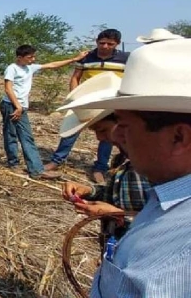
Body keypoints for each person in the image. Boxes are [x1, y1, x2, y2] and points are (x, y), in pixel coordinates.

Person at [58, 38, 191, 297]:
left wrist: (118, 213)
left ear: (179, 138)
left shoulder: (180, 252)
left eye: (125, 126)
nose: (117, 138)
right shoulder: (165, 196)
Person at [57, 73, 150, 240]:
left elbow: (172, 224)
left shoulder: (157, 166)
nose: (100, 138)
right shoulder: (121, 160)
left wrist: (119, 215)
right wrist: (90, 191)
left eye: (102, 130)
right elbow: (116, 195)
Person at [45, 29, 130, 184]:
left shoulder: (126, 58)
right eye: (101, 42)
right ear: (96, 42)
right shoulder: (86, 57)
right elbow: (75, 77)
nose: (105, 46)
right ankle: (56, 161)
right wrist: (75, 97)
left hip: (111, 102)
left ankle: (100, 168)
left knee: (107, 135)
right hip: (87, 99)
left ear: (117, 44)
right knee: (71, 130)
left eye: (109, 44)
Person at [1, 45, 88, 179]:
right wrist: (17, 106)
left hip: (21, 107)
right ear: (19, 57)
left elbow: (52, 65)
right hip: (11, 106)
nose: (33, 59)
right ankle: (14, 164)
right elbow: (8, 88)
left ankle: (36, 170)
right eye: (30, 57)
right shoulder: (12, 68)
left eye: (33, 57)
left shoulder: (30, 67)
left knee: (26, 137)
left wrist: (74, 59)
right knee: (11, 134)